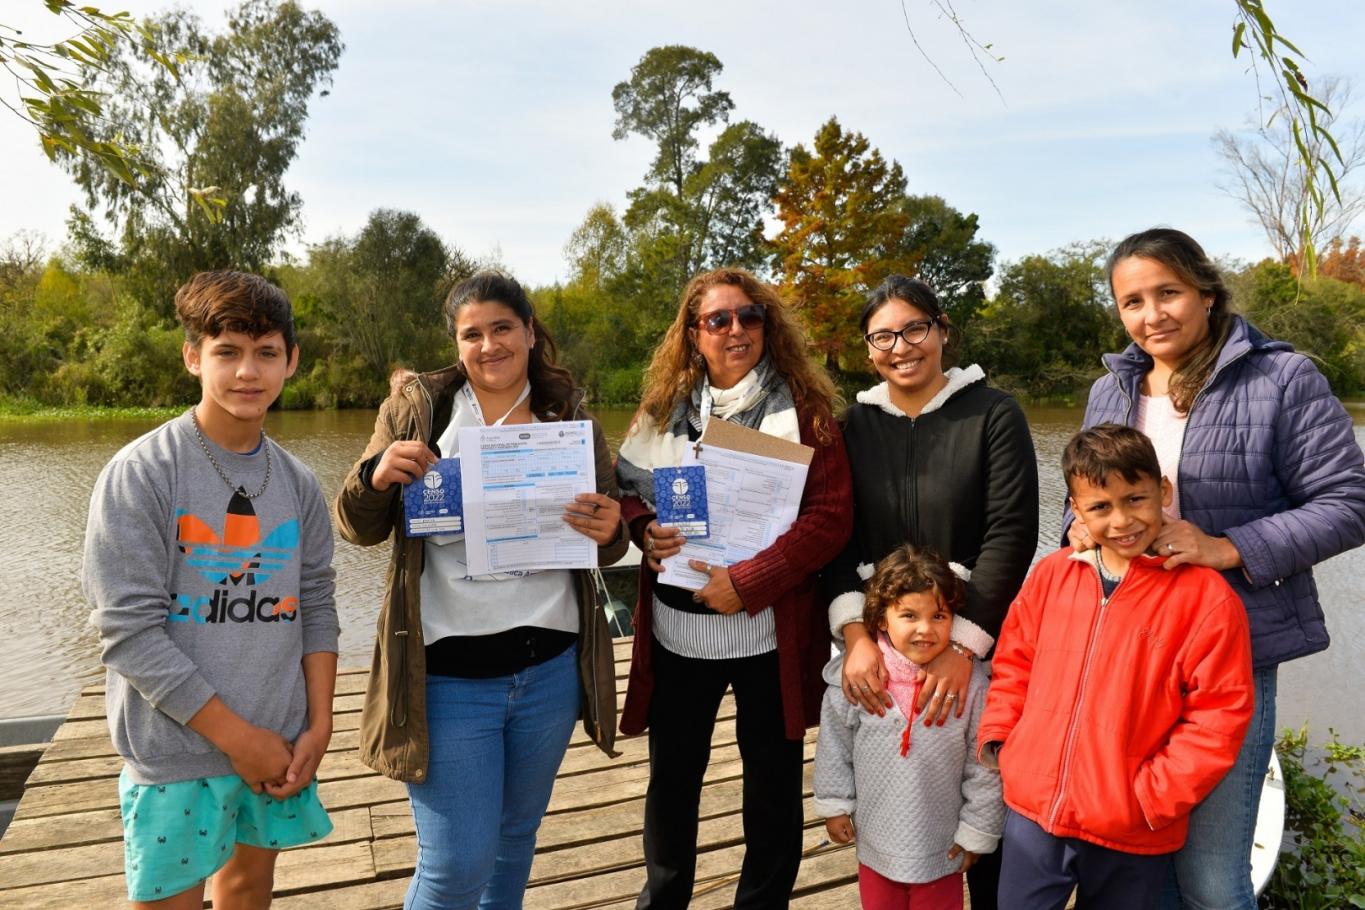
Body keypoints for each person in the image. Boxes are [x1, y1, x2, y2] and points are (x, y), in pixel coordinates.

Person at [1071, 228, 1365, 909]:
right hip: (1127, 648)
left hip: (1230, 648)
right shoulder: (1108, 390)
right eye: (1131, 302)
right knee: (1139, 851)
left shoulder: (1282, 378)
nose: (1151, 316)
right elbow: (1080, 500)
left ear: (1205, 291)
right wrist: (1078, 530)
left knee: (1209, 875)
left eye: (1167, 293)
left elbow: (1349, 503)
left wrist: (1224, 547)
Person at [333, 271, 628, 910]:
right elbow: (354, 526)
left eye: (502, 328)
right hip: (448, 677)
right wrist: (375, 476)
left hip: (549, 672)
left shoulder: (569, 415)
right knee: (454, 867)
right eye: (473, 334)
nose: (489, 345)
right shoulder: (419, 409)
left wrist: (611, 530)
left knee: (514, 840)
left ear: (528, 332)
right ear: (457, 343)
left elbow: (609, 536)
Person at [84, 271, 339, 909]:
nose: (247, 372)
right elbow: (127, 633)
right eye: (227, 351)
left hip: (277, 742)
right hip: (175, 752)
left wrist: (319, 724)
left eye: (266, 353)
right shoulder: (142, 473)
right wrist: (237, 738)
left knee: (250, 889)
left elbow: (316, 605)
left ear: (292, 362)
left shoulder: (300, 484)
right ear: (193, 356)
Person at [616, 267, 853, 908]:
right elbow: (626, 491)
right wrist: (645, 530)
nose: (737, 329)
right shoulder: (662, 410)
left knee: (772, 785)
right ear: (694, 335)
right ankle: (663, 900)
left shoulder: (808, 413)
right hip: (676, 633)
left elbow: (831, 517)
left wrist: (749, 583)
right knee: (672, 782)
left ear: (767, 325)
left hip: (766, 632)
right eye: (718, 319)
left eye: (750, 315)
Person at [823, 275, 1037, 909]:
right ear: (867, 349)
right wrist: (855, 636)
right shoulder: (850, 427)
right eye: (883, 335)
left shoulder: (993, 413)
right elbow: (831, 535)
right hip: (879, 641)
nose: (901, 346)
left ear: (943, 328)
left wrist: (963, 646)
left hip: (974, 636)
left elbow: (1012, 531)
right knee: (899, 790)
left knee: (985, 802)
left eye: (915, 328)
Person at [982, 424, 1254, 910]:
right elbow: (1013, 662)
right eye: (1100, 507)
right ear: (1076, 508)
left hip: (1132, 824)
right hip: (1034, 813)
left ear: (1163, 492)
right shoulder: (1052, 575)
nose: (1122, 520)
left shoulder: (1206, 599)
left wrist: (1152, 797)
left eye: (1136, 499)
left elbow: (1218, 715)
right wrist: (1005, 743)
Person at [815, 545, 1002, 910]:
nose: (924, 629)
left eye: (938, 616)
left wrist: (977, 831)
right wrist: (835, 805)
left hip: (941, 846)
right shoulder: (856, 679)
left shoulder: (973, 685)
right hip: (876, 841)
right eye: (908, 615)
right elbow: (834, 748)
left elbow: (983, 767)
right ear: (881, 619)